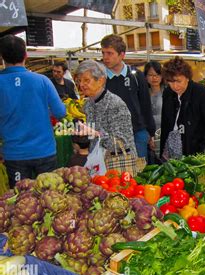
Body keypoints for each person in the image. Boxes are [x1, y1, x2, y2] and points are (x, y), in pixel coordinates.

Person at [0, 35, 66, 188]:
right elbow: (60, 112)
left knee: (21, 202)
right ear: (26, 55)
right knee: (49, 200)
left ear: (2, 56)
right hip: (45, 152)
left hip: (14, 154)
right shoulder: (42, 80)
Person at [100, 34, 155, 161]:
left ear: (122, 55)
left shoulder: (136, 76)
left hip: (138, 132)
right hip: (111, 136)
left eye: (109, 53)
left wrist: (150, 132)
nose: (105, 57)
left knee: (140, 172)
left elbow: (146, 105)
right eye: (103, 53)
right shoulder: (100, 78)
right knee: (116, 175)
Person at [75, 60, 137, 157]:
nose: (81, 85)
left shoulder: (115, 104)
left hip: (119, 165)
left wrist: (95, 133)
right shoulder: (87, 104)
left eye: (86, 80)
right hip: (97, 162)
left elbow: (122, 143)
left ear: (101, 80)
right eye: (79, 81)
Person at [160, 57, 205, 159]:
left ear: (187, 77)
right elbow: (165, 123)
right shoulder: (168, 93)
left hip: (197, 149)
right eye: (170, 81)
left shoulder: (202, 93)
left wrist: (203, 151)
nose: (175, 86)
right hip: (173, 147)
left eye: (178, 81)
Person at [144, 61, 164, 160]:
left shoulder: (168, 92)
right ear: (146, 77)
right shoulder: (143, 94)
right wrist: (149, 136)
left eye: (157, 75)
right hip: (149, 133)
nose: (154, 78)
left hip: (165, 132)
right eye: (151, 75)